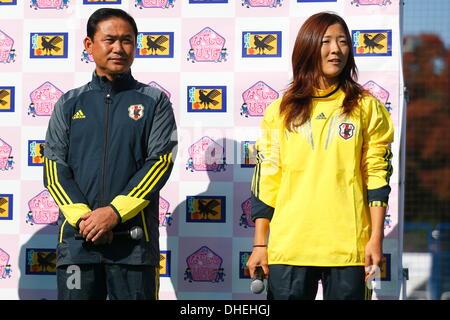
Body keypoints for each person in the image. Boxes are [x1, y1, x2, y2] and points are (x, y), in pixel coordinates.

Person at [246, 12, 394, 300]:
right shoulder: (280, 110)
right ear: (309, 46)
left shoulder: (367, 107)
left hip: (348, 248)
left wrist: (375, 238)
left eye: (342, 42)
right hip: (290, 246)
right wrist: (261, 245)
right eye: (326, 41)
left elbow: (377, 173)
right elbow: (267, 178)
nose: (335, 49)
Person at [43, 8, 177, 300]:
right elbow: (54, 170)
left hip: (133, 247)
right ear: (89, 45)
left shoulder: (155, 102)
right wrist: (85, 221)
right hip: (78, 245)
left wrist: (114, 213)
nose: (119, 48)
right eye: (110, 40)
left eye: (127, 40)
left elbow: (160, 162)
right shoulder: (67, 103)